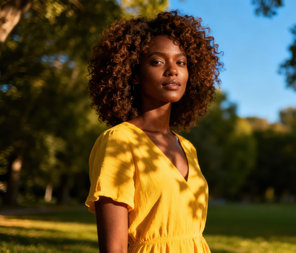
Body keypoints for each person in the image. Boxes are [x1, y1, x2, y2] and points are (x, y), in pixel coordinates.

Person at [85, 11, 222, 253]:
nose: (173, 70)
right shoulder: (119, 141)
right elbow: (114, 248)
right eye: (157, 61)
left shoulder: (187, 147)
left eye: (181, 62)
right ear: (135, 73)